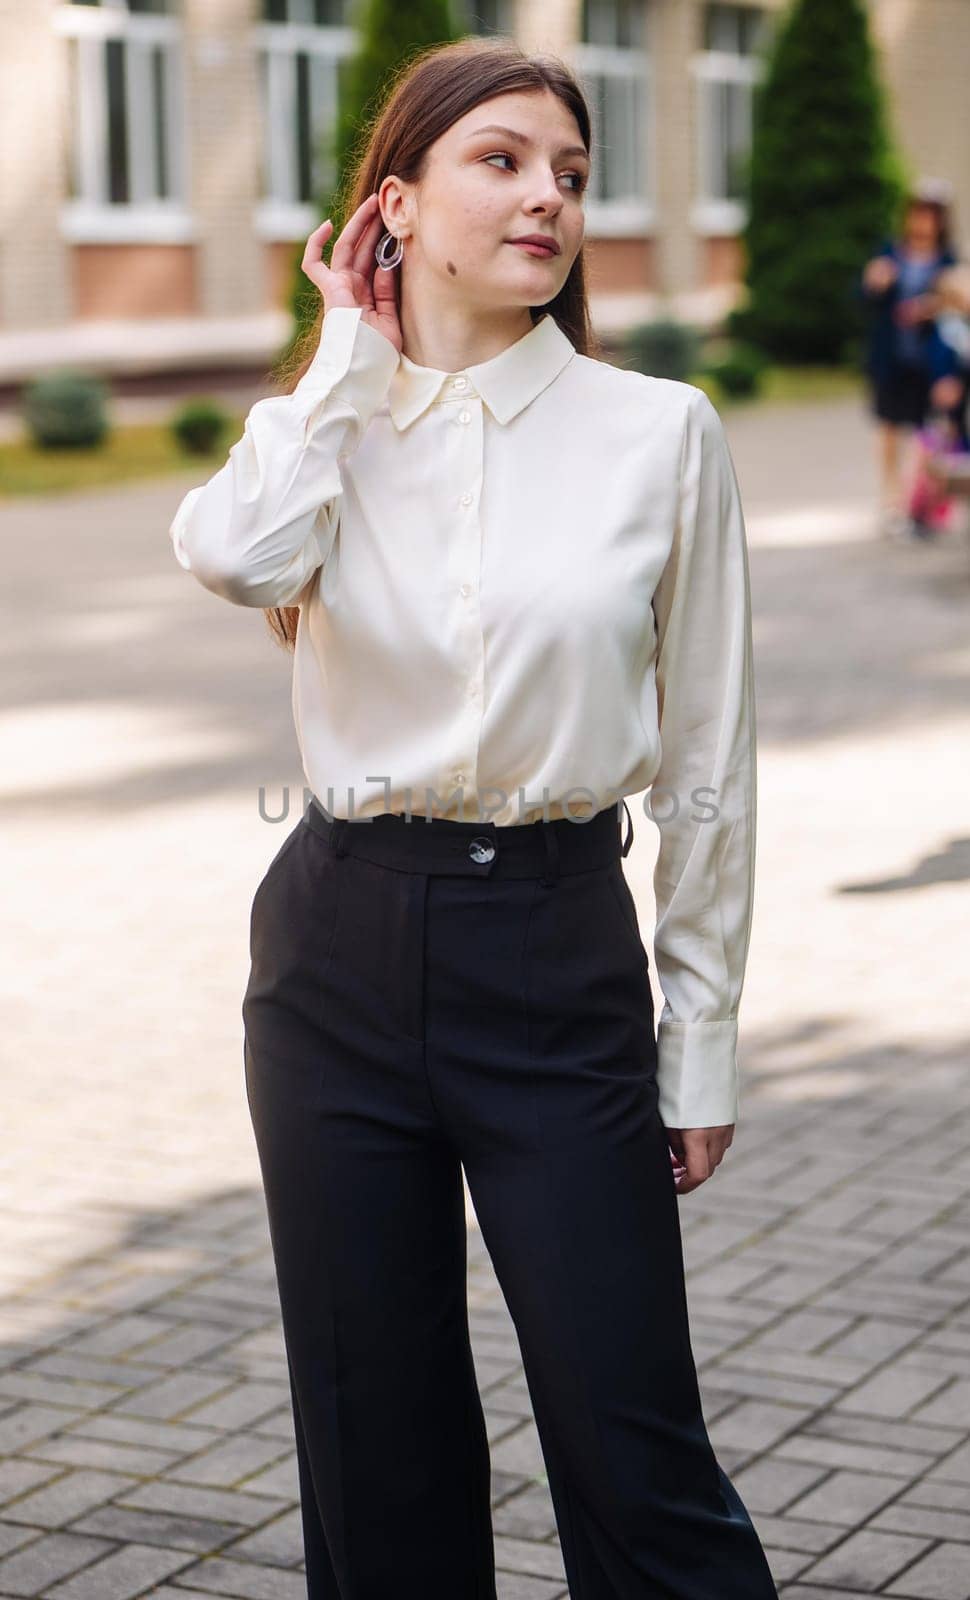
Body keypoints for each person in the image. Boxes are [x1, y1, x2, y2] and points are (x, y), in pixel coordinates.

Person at [168, 34, 777, 1600]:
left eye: (570, 173)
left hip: (554, 954)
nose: (547, 199)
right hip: (333, 958)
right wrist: (340, 356)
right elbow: (234, 560)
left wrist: (693, 1030)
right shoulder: (325, 430)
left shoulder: (659, 432)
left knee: (631, 1444)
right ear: (398, 203)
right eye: (500, 160)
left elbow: (710, 759)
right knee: (377, 1454)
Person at [858, 182, 959, 538]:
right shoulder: (890, 253)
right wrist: (875, 283)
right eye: (918, 214)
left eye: (930, 216)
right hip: (891, 357)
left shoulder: (949, 260)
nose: (923, 222)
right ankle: (890, 502)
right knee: (888, 429)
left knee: (924, 433)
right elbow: (864, 299)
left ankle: (917, 503)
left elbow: (958, 308)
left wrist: (931, 307)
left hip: (928, 361)